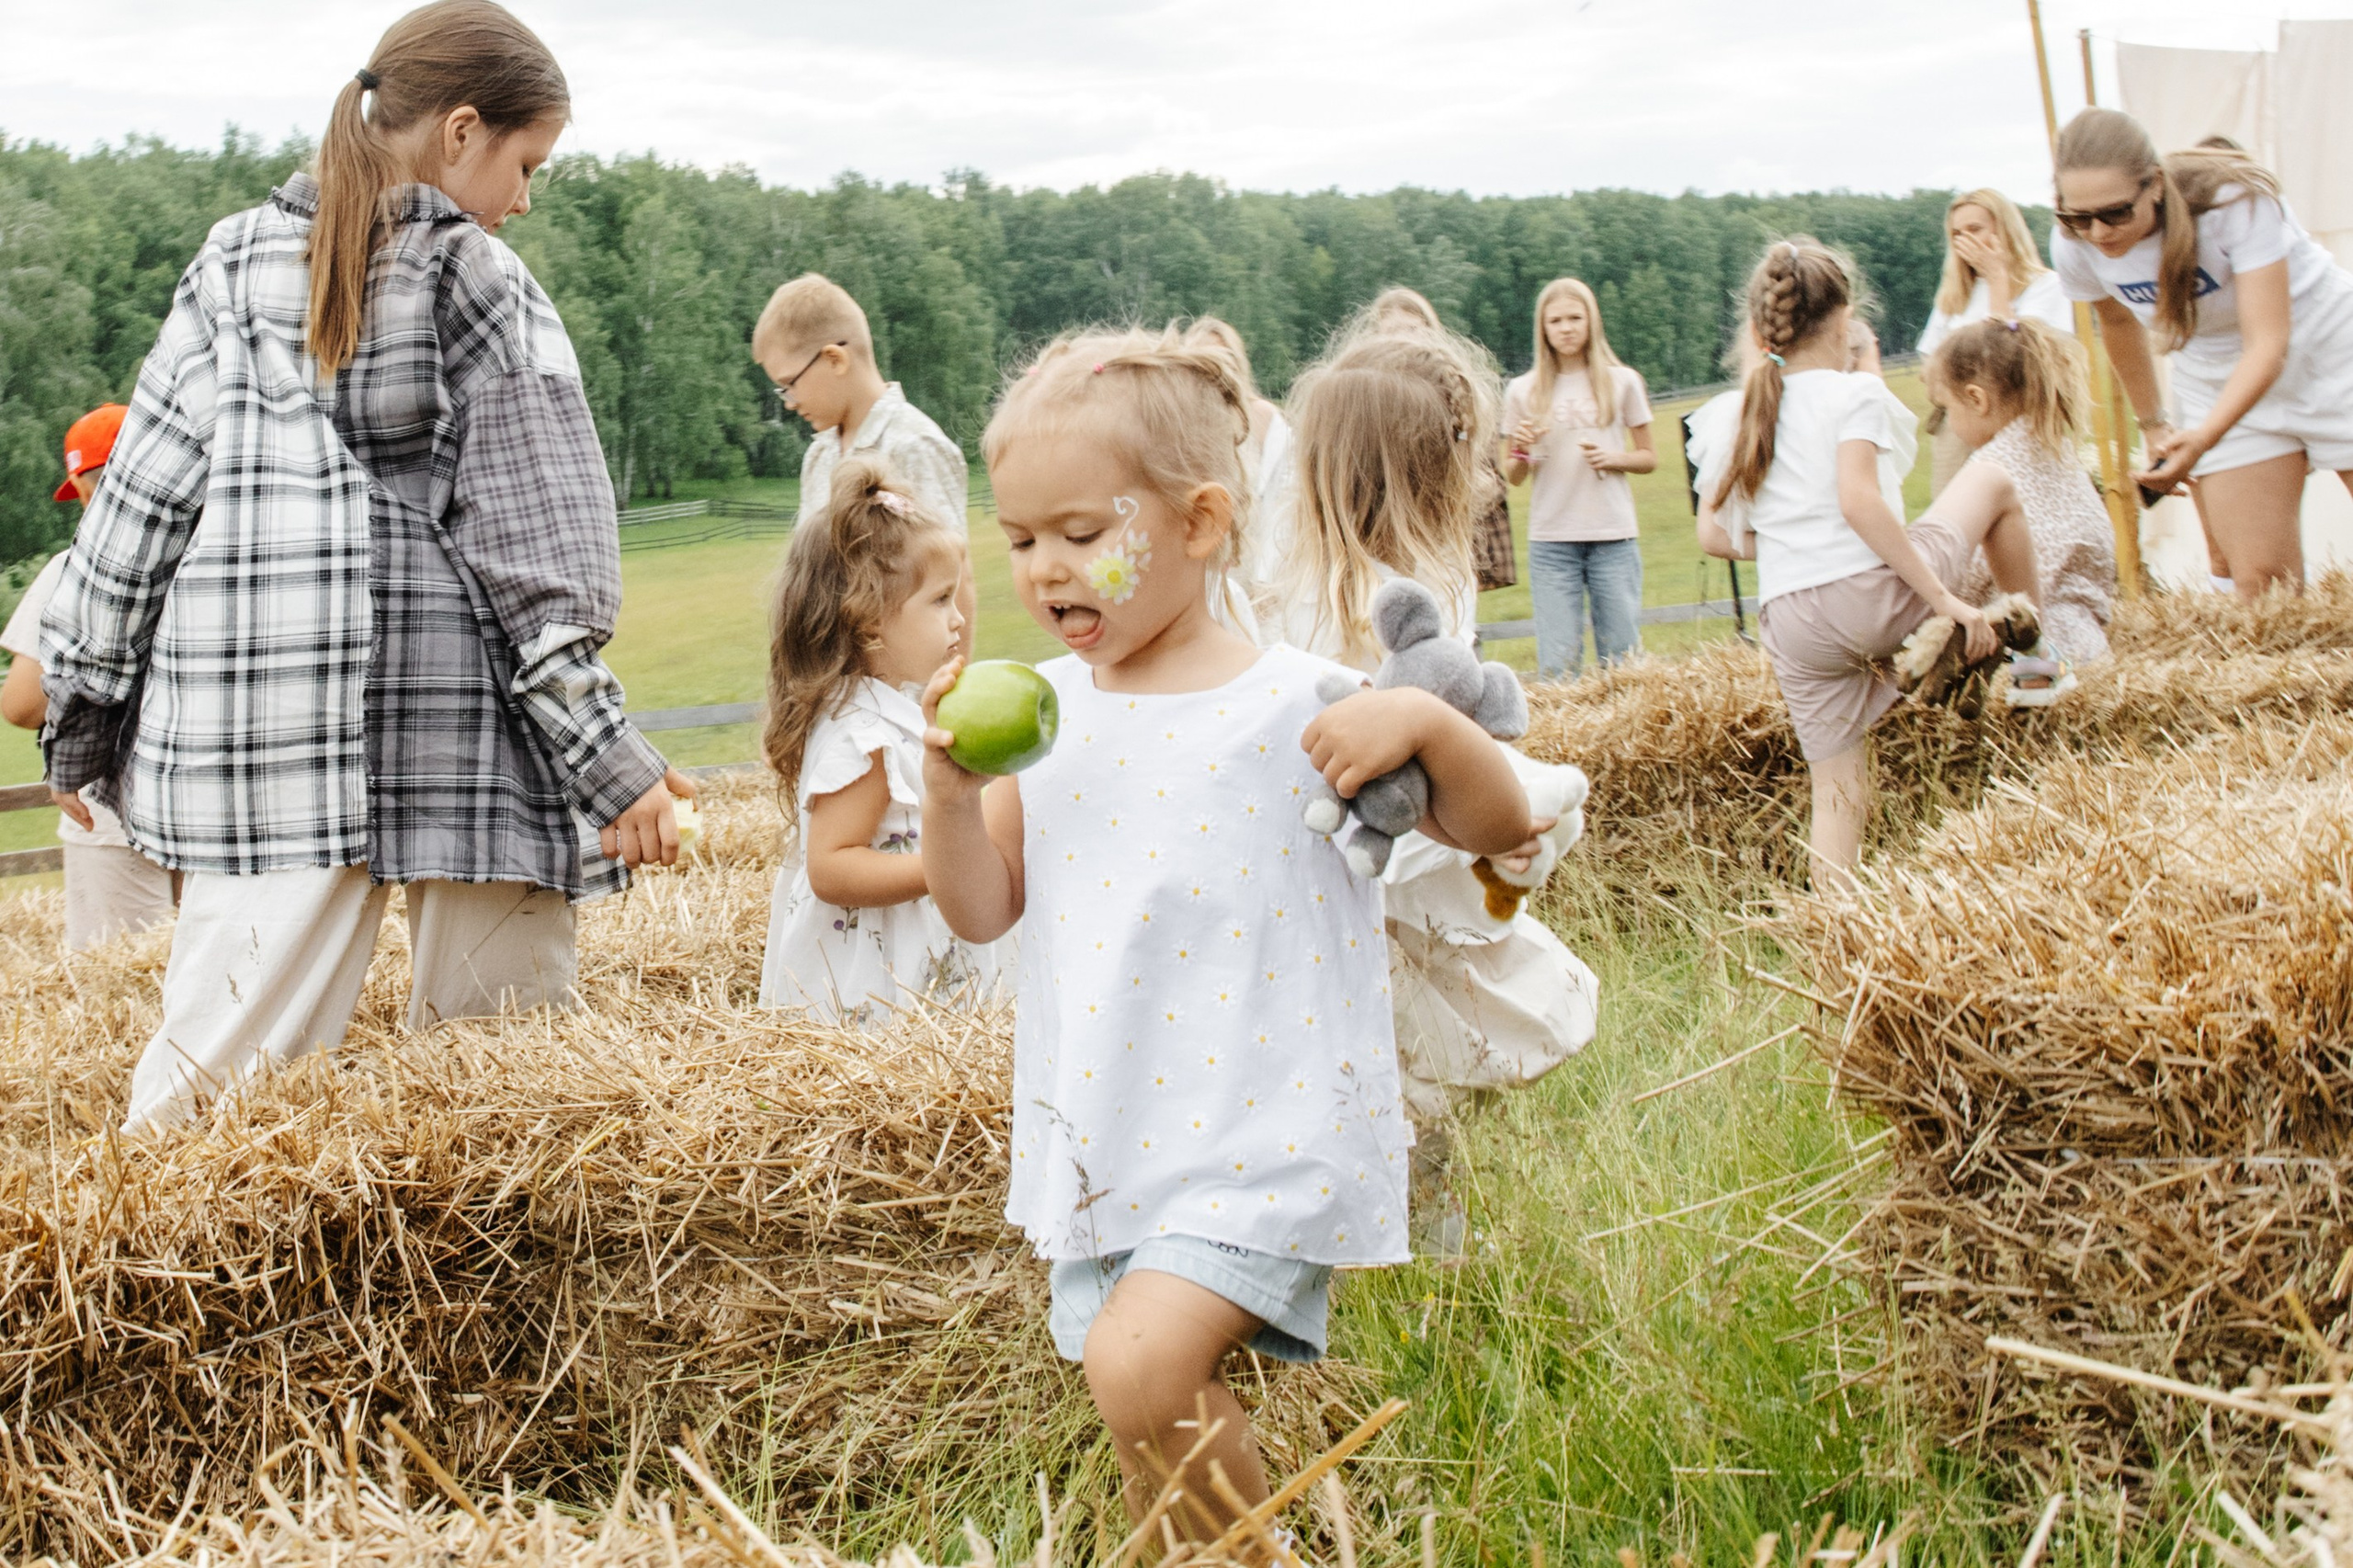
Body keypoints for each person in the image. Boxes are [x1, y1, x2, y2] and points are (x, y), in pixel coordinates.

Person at [917, 324, 1530, 1546]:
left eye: (1085, 535)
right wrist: (944, 794)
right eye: (1022, 539)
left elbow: (1495, 823)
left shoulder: (1296, 702)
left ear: (1197, 524)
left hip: (1264, 1125)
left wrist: (1425, 722)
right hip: (1114, 1134)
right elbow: (983, 906)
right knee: (1141, 1415)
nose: (1045, 569)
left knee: (1142, 1363)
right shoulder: (1043, 722)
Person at [38, 0, 693, 1133]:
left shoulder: (229, 266)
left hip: (262, 741)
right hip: (466, 741)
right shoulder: (483, 278)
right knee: (508, 1097)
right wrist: (608, 755)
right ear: (461, 132)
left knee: (206, 1105)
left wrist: (85, 708)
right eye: (527, 163)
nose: (525, 197)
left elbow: (136, 515)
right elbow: (536, 560)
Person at [1280, 318, 1598, 1257]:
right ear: (1430, 465)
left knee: (1409, 1072)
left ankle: (1428, 1248)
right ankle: (1417, 1248)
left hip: (1404, 856)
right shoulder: (1345, 602)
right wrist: (1485, 824)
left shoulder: (1401, 579)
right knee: (1398, 1072)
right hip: (1379, 862)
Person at [1688, 238, 2048, 880]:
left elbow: (1714, 536)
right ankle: (2037, 665)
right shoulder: (1855, 394)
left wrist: (1799, 542)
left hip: (1793, 624)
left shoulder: (1742, 410)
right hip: (1870, 597)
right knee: (1994, 484)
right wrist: (1943, 598)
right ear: (1846, 315)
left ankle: (1835, 941)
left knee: (1838, 798)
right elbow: (1859, 503)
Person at [2052, 108, 2353, 597]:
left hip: (2329, 351)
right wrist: (2154, 426)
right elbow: (2118, 324)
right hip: (2216, 374)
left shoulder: (2233, 204)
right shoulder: (2072, 246)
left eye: (2115, 213)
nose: (2099, 232)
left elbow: (2268, 343)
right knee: (2262, 583)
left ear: (2153, 185)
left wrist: (2204, 438)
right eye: (2077, 216)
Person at [756, 457, 1005, 1021]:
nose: (959, 620)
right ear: (869, 621)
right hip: (878, 983)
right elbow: (832, 868)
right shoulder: (863, 735)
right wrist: (946, 869)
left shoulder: (887, 710)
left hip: (910, 954)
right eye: (940, 601)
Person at [1, 404, 176, 952]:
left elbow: (22, 705)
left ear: (83, 486)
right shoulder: (209, 561)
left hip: (104, 809)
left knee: (119, 983)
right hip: (207, 801)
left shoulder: (67, 570)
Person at [755, 273, 977, 658]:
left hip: (907, 692)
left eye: (790, 384)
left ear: (834, 359)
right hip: (836, 688)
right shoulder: (819, 456)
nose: (788, 401)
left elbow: (954, 581)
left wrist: (945, 694)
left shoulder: (913, 445)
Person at [1934, 317, 2116, 671]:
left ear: (1976, 399)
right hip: (2090, 651)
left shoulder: (1989, 471)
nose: (1948, 422)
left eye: (1946, 409)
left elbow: (1961, 575)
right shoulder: (2061, 454)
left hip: (2021, 664)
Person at [1502, 278, 1657, 679]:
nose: (1566, 328)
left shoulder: (1622, 382)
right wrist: (1520, 448)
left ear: (1591, 321)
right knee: (1558, 662)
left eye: (1575, 318)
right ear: (1543, 328)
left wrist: (1615, 458)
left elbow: (1648, 457)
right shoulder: (1522, 391)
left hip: (1613, 536)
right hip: (1552, 540)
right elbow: (1514, 475)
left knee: (1622, 656)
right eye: (1556, 321)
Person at [1917, 189, 2076, 495]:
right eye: (1957, 234)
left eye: (1975, 229)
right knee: (1960, 523)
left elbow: (2015, 363)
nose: (1966, 240)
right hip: (1959, 429)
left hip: (2023, 430)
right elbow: (1929, 368)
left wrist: (1998, 279)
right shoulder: (1954, 296)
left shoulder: (2046, 286)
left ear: (2004, 228)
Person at [1371, 286, 1518, 596]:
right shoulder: (1369, 395)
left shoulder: (1454, 386)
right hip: (1387, 533)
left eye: (1413, 329)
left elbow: (1485, 476)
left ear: (1431, 330)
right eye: (1392, 331)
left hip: (1447, 530)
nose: (1404, 338)